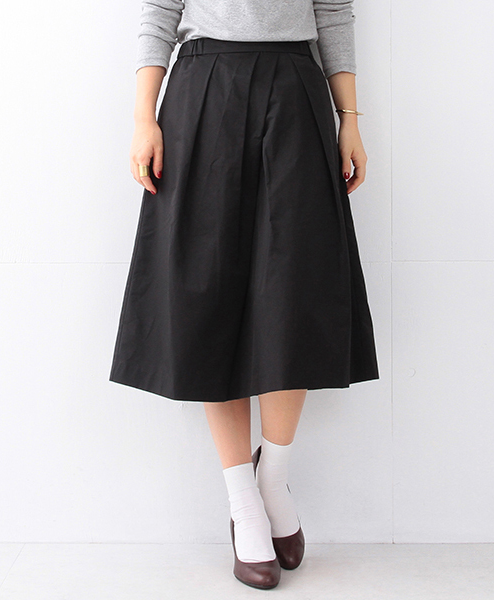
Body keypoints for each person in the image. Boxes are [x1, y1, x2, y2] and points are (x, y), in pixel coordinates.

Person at [109, 0, 379, 590]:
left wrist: (350, 118)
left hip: (297, 88)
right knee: (210, 293)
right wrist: (143, 117)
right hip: (203, 89)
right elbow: (161, 10)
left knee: (295, 291)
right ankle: (242, 498)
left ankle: (272, 477)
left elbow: (333, 10)